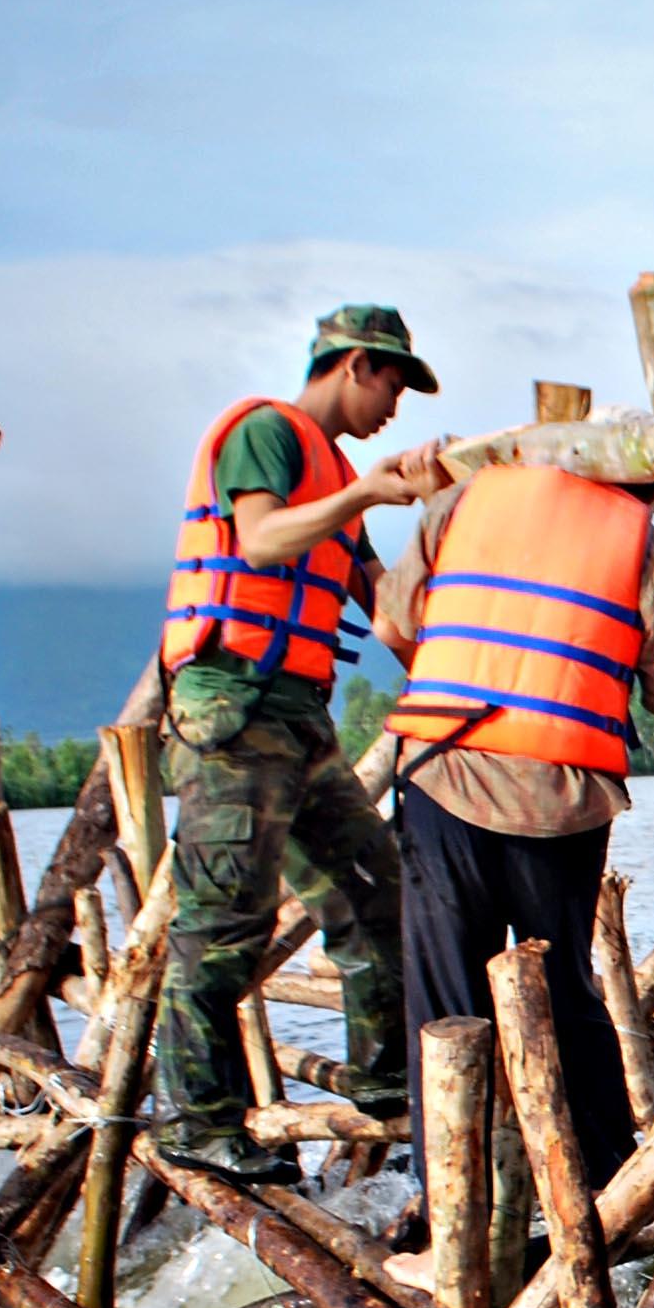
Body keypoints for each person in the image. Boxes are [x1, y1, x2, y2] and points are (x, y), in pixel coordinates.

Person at [372, 457, 654, 1184]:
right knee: (565, 996)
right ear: (644, 488)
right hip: (557, 801)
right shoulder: (651, 552)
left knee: (446, 1005)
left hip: (441, 778)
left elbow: (392, 622)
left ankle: (447, 1208)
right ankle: (608, 1187)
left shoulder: (460, 503)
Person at [152, 305, 438, 1187]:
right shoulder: (269, 434)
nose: (397, 403)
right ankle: (197, 1123)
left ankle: (387, 1082)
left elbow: (388, 608)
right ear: (355, 364)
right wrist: (362, 495)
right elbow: (262, 538)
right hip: (233, 707)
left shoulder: (341, 477)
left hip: (300, 717)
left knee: (377, 891)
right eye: (394, 382)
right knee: (223, 924)